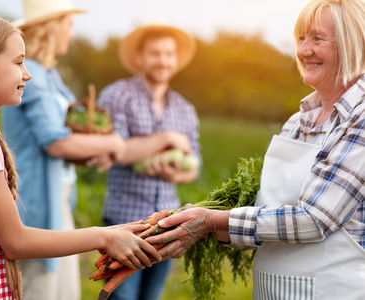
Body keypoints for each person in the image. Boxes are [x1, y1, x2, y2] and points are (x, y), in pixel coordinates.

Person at [0, 12, 161, 300]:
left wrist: (114, 231)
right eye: (19, 62)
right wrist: (104, 236)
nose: (28, 73)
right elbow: (15, 242)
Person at [147, 0, 365, 299]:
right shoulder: (300, 119)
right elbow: (267, 215)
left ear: (353, 41)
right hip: (272, 288)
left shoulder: (360, 117)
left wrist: (213, 220)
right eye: (300, 39)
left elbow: (315, 219)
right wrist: (195, 222)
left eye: (317, 38)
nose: (303, 50)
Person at [0, 0, 128, 299]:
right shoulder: (31, 73)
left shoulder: (49, 73)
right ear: (52, 28)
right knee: (40, 288)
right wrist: (114, 143)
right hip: (37, 200)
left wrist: (94, 149)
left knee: (63, 290)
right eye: (69, 25)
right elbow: (55, 142)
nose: (71, 35)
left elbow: (71, 131)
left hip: (59, 199)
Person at [95, 22, 201, 300]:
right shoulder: (118, 95)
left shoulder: (185, 109)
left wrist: (174, 174)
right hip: (124, 220)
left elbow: (195, 165)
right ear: (139, 58)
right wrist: (167, 137)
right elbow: (112, 150)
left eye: (169, 54)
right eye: (155, 53)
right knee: (120, 296)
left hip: (167, 223)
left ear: (176, 59)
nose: (163, 60)